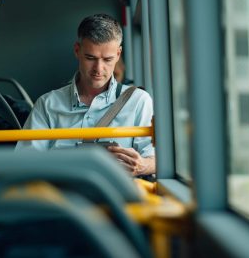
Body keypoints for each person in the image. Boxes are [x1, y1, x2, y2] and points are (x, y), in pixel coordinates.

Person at [16, 14, 155, 176]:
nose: (98, 69)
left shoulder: (138, 101)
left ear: (118, 55)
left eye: (108, 59)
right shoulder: (47, 104)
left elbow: (155, 158)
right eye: (91, 58)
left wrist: (142, 165)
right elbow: (25, 163)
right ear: (77, 50)